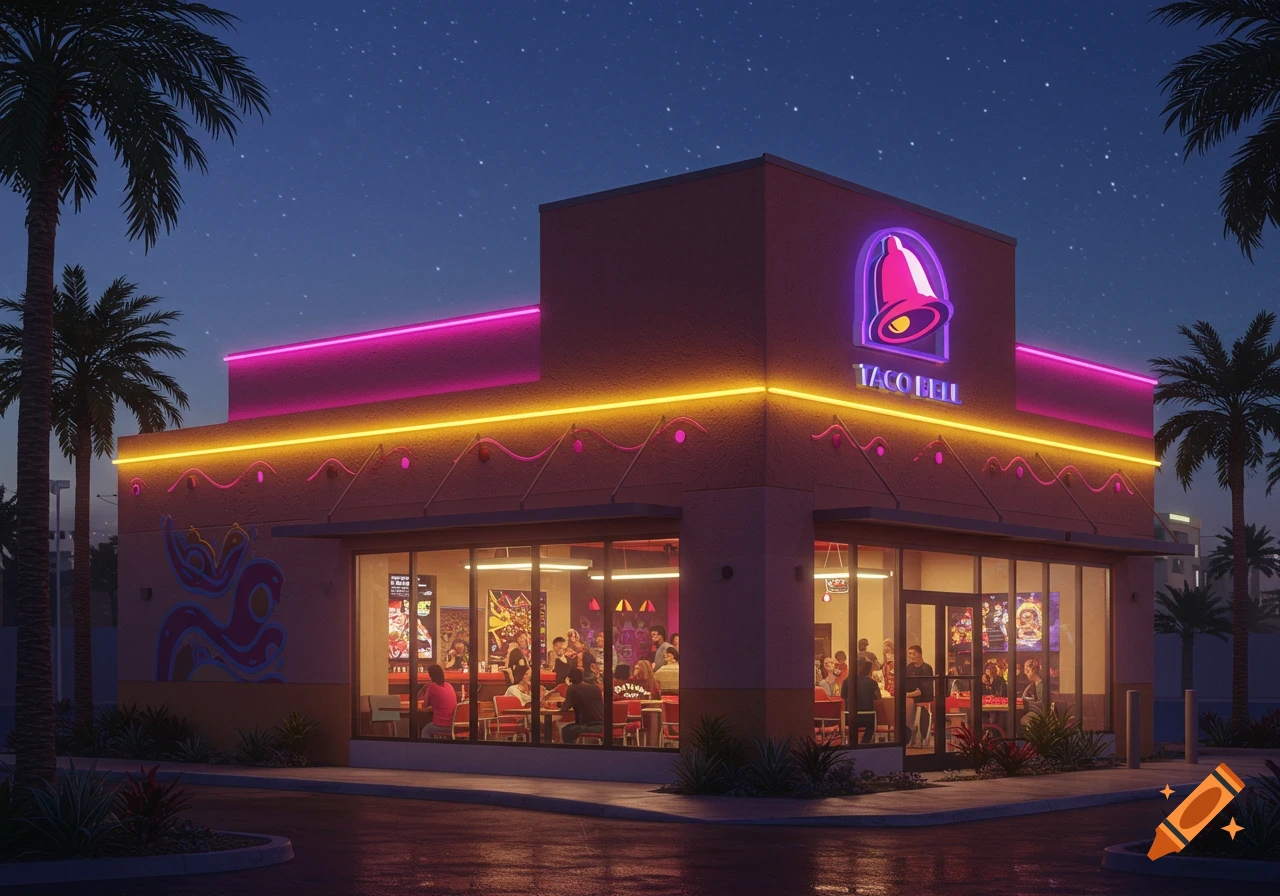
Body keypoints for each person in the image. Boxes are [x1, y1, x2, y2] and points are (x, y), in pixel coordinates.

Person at [561, 668, 604, 744]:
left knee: (566, 730)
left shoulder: (572, 688)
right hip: (602, 726)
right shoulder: (596, 688)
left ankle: (569, 753)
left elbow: (565, 708)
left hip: (588, 726)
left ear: (570, 679)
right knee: (570, 728)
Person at [904, 644, 934, 746]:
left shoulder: (926, 668)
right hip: (910, 695)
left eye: (913, 653)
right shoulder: (908, 668)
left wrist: (909, 695)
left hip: (923, 696)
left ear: (920, 654)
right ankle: (909, 729)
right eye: (909, 653)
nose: (911, 656)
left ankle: (912, 729)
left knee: (909, 703)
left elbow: (924, 689)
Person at [845, 658, 881, 743]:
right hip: (867, 717)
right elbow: (879, 698)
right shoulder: (872, 682)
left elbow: (843, 696)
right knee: (872, 725)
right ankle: (865, 742)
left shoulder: (846, 681)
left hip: (849, 716)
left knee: (852, 725)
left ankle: (852, 743)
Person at [419, 664, 457, 738]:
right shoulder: (449, 685)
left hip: (442, 725)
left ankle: (428, 749)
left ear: (431, 676)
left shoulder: (431, 687)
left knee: (425, 731)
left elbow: (425, 705)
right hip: (453, 725)